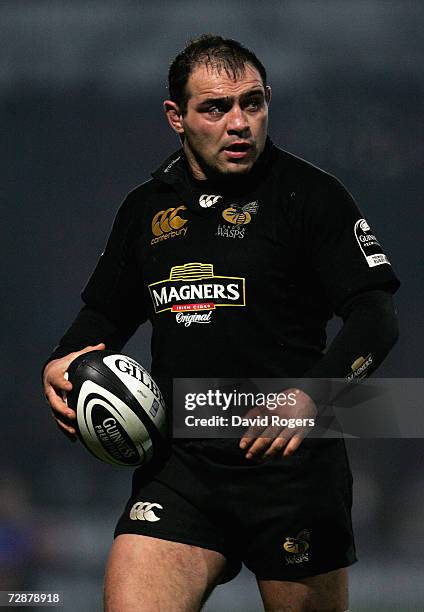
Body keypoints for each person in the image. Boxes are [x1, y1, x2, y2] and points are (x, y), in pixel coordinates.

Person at [42, 35, 400, 612]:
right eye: (216, 108)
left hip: (290, 470)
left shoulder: (311, 196)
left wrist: (318, 394)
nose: (239, 122)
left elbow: (375, 318)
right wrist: (62, 358)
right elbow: (105, 315)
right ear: (175, 117)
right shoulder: (145, 208)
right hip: (181, 471)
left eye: (252, 103)